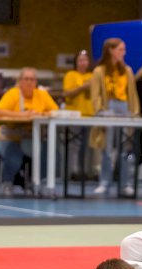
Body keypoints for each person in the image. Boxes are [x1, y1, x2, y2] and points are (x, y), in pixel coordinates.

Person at [0, 67, 58, 196]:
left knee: (50, 152)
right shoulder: (13, 93)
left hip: (31, 138)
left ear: (36, 82)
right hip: (8, 137)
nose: (29, 82)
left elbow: (56, 111)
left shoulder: (42, 94)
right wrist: (23, 115)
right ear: (20, 81)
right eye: (26, 79)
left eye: (32, 79)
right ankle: (7, 182)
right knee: (14, 154)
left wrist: (41, 114)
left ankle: (37, 182)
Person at [89, 38, 140, 196]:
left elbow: (132, 93)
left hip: (124, 108)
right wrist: (100, 111)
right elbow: (96, 94)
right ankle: (104, 182)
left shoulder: (128, 71)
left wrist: (134, 112)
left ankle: (126, 184)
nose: (123, 53)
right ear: (111, 50)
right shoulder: (100, 71)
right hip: (109, 108)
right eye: (120, 49)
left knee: (125, 148)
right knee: (108, 149)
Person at [62, 50, 94, 180]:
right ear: (76, 62)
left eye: (85, 60)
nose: (82, 63)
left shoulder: (93, 75)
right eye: (80, 60)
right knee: (74, 145)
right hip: (74, 115)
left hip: (90, 115)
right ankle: (72, 171)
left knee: (88, 146)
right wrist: (82, 87)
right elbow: (66, 93)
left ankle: (86, 171)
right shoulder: (70, 75)